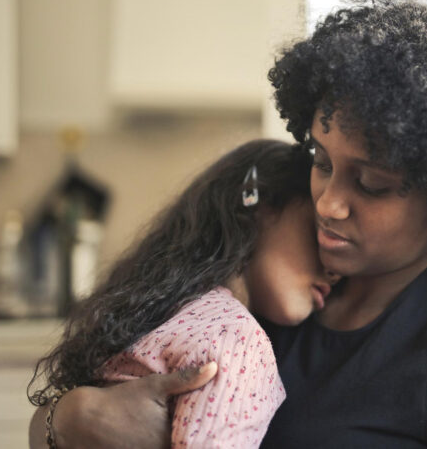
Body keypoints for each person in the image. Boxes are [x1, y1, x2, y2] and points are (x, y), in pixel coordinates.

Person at [29, 0, 427, 448]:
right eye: (320, 161)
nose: (329, 203)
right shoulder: (271, 281)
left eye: (371, 183)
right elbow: (54, 415)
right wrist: (77, 416)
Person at [28, 139, 339, 448]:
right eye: (320, 230)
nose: (335, 270)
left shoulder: (149, 311)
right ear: (258, 207)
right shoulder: (236, 341)